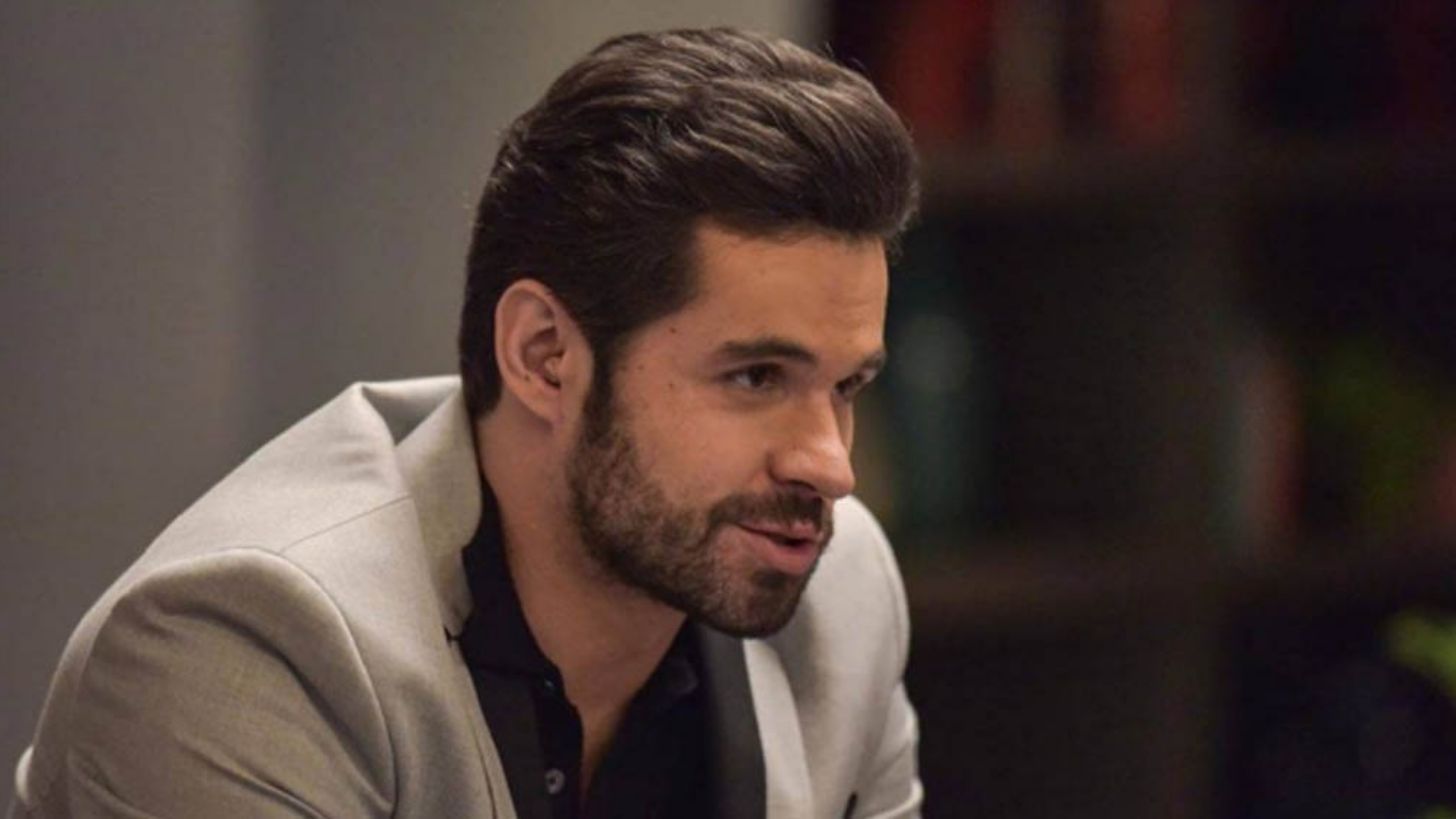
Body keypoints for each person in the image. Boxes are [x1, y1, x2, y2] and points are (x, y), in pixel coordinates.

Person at [10, 27, 922, 819]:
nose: (831, 466)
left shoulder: (840, 593)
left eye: (846, 386)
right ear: (543, 355)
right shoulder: (250, 648)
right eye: (756, 376)